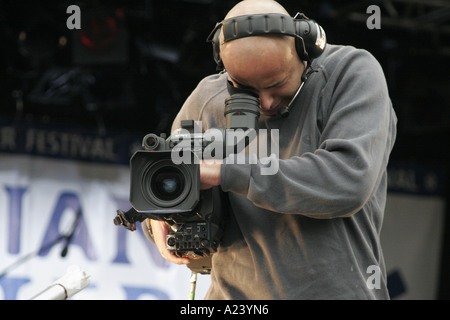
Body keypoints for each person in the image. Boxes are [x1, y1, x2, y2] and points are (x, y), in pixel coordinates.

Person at [145, 0, 397, 299]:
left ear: (305, 48)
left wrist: (223, 172)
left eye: (277, 84)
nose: (265, 103)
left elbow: (347, 181)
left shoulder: (350, 73)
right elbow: (168, 183)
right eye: (246, 89)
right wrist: (159, 215)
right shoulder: (207, 99)